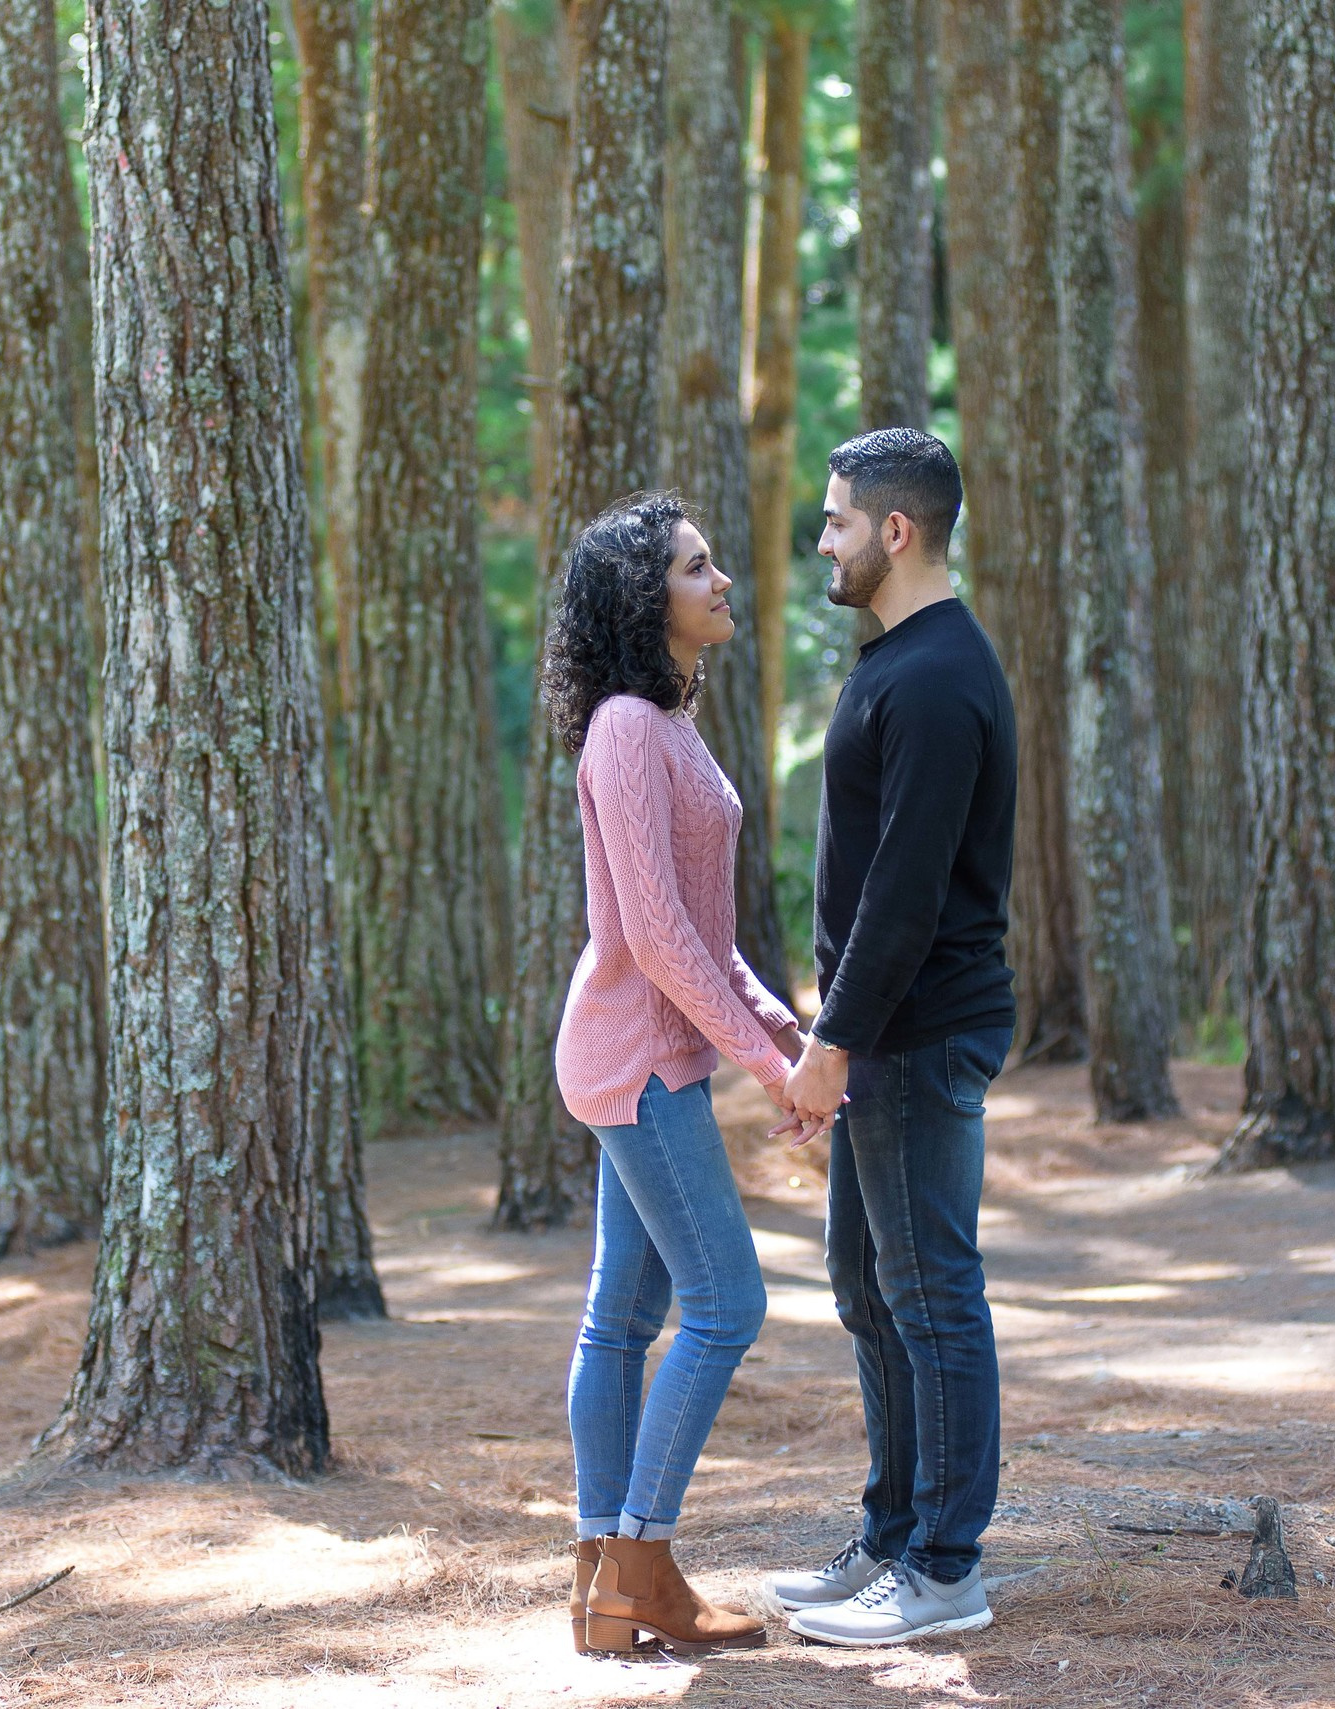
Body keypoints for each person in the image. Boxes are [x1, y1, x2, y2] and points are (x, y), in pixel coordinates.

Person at [766, 428, 1018, 1647]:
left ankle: (945, 1567)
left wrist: (834, 1042)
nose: (824, 538)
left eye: (835, 521)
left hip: (919, 1035)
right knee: (868, 1283)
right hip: (885, 1036)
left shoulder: (933, 675)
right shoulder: (901, 660)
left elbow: (906, 895)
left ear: (895, 530)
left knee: (928, 1294)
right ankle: (891, 1534)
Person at [545, 492, 804, 1656]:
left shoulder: (662, 721)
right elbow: (652, 938)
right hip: (639, 1060)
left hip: (655, 1051)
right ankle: (641, 1562)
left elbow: (704, 927)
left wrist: (777, 1030)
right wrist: (760, 1063)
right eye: (698, 568)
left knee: (624, 1317)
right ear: (647, 598)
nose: (722, 582)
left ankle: (604, 1576)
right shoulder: (625, 730)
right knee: (726, 1303)